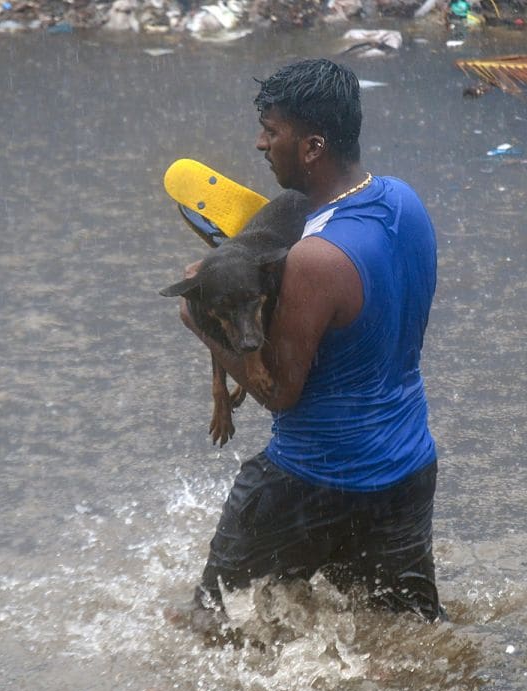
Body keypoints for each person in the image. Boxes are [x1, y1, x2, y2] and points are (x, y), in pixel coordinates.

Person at [178, 58, 444, 622]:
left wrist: (197, 320)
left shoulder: (314, 260)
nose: (260, 143)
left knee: (208, 619)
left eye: (273, 132)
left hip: (313, 477)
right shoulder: (405, 203)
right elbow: (366, 321)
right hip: (406, 471)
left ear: (313, 145)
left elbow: (279, 392)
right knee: (407, 637)